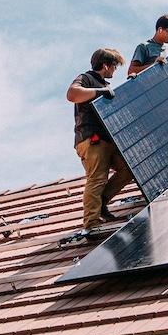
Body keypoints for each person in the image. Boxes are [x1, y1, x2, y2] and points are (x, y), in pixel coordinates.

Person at [67, 48, 134, 231]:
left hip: (108, 140)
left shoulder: (104, 85)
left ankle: (102, 203)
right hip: (91, 139)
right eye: (114, 66)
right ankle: (92, 222)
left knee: (128, 169)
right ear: (105, 65)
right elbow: (72, 94)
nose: (114, 70)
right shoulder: (86, 79)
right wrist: (99, 92)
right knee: (97, 178)